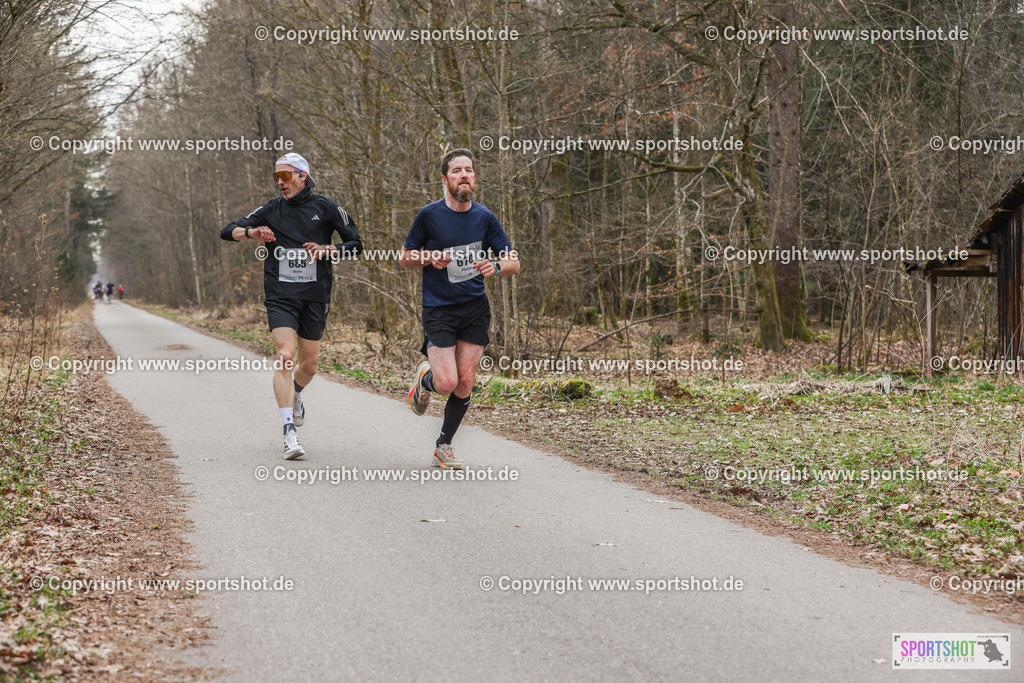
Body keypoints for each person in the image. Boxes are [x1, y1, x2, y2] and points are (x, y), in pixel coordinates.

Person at [221, 153, 362, 459]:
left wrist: (327, 250)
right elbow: (228, 230)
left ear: (302, 176)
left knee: (309, 366)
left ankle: (296, 392)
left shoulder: (326, 207)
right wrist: (252, 232)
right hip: (280, 294)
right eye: (276, 177)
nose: (280, 182)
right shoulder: (271, 209)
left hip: (314, 295)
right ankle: (289, 432)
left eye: (285, 176)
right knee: (285, 356)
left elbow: (356, 244)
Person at [399, 149, 520, 469]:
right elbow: (404, 257)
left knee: (465, 381)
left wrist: (497, 265)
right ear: (445, 179)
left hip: (475, 308)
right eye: (456, 171)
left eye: (469, 170)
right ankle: (425, 381)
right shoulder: (429, 215)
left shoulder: (485, 217)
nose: (464, 175)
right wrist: (429, 258)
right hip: (438, 309)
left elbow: (514, 261)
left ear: (474, 177)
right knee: (447, 383)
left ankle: (444, 446)